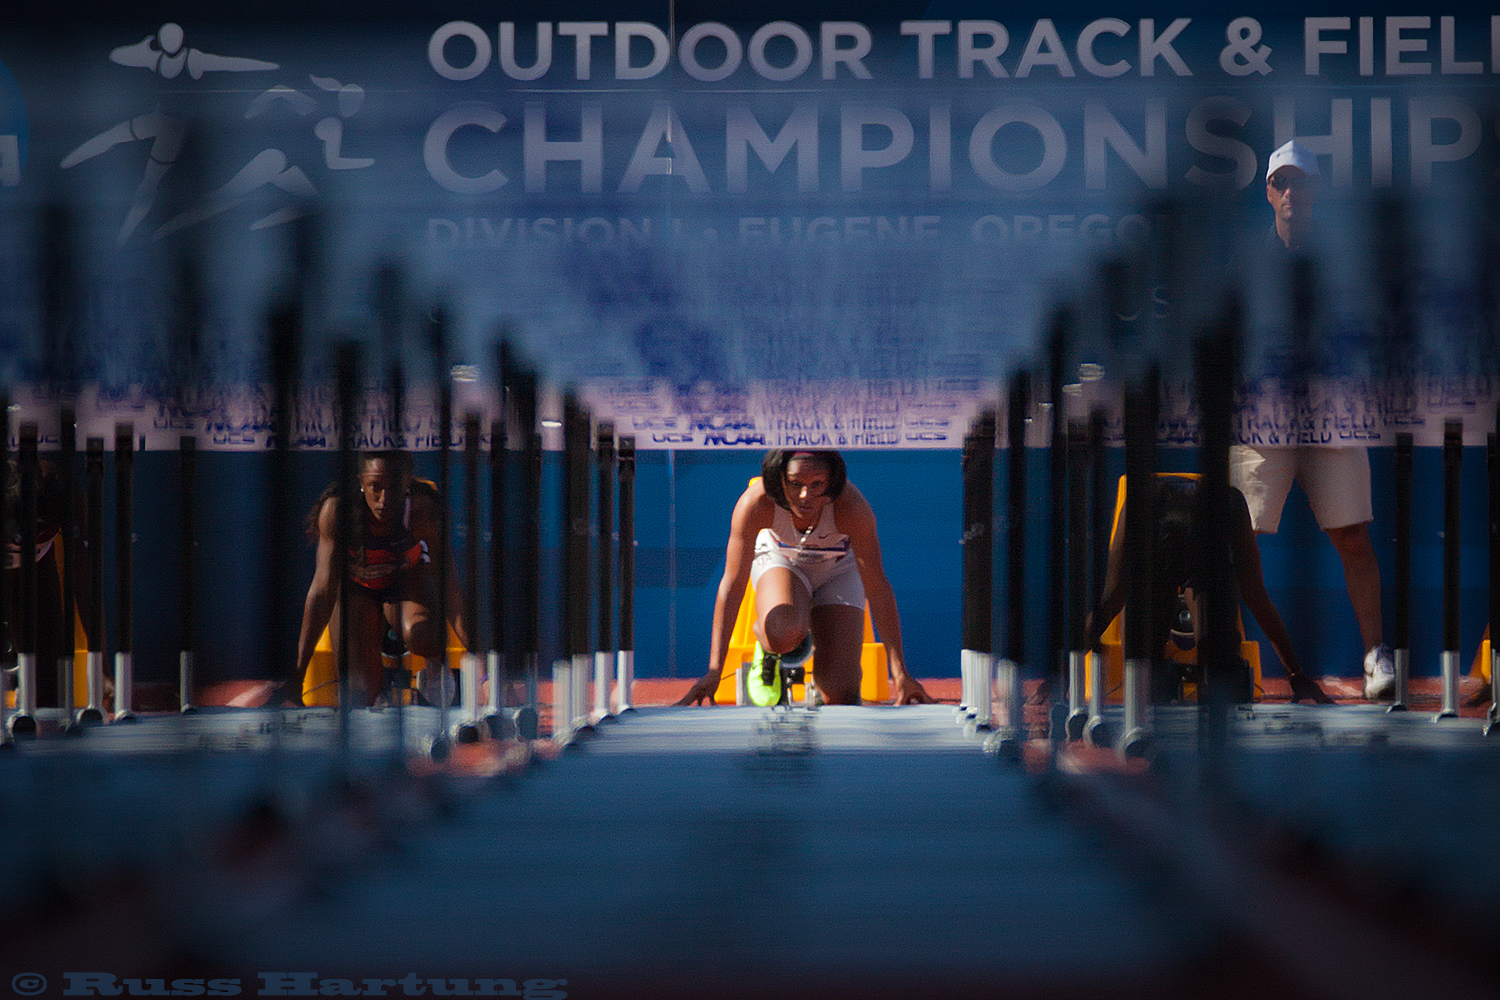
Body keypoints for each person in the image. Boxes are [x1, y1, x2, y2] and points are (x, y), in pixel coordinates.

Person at [1231, 139, 1394, 699]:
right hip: (1261, 425)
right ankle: (1223, 658)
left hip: (1334, 421)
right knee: (1234, 540)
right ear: (1271, 192)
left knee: (1352, 538)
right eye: (1284, 183)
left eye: (1303, 183)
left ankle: (1376, 657)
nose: (1293, 192)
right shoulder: (1245, 260)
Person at [677, 449, 933, 707]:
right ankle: (769, 645)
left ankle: (816, 647)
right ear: (779, 479)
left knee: (840, 695)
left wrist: (900, 674)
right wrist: (714, 671)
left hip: (837, 571)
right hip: (783, 561)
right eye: (795, 484)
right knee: (783, 630)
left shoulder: (852, 508)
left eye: (817, 484)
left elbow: (877, 588)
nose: (805, 495)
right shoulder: (756, 503)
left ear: (831, 481)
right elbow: (732, 585)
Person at [1088, 476, 1332, 705]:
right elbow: (1256, 597)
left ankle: (1198, 673)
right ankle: (1180, 673)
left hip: (1192, 548)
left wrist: (1296, 674)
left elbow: (1112, 598)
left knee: (1212, 674)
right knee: (1153, 675)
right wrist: (1295, 673)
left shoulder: (1224, 507)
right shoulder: (1144, 505)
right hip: (1168, 547)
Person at [283, 451, 467, 707]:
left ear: (407, 483)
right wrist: (296, 678)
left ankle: (435, 665)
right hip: (357, 587)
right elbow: (322, 591)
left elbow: (451, 589)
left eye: (393, 488)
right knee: (359, 695)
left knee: (421, 633)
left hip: (405, 579)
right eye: (375, 487)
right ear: (361, 482)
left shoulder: (423, 511)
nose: (384, 500)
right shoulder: (338, 513)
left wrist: (488, 670)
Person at [3, 456, 98, 710]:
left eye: (38, 535)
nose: (22, 544)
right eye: (17, 538)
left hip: (38, 574)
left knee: (48, 670)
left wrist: (104, 667)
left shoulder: (62, 491)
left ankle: (45, 713)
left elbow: (82, 579)